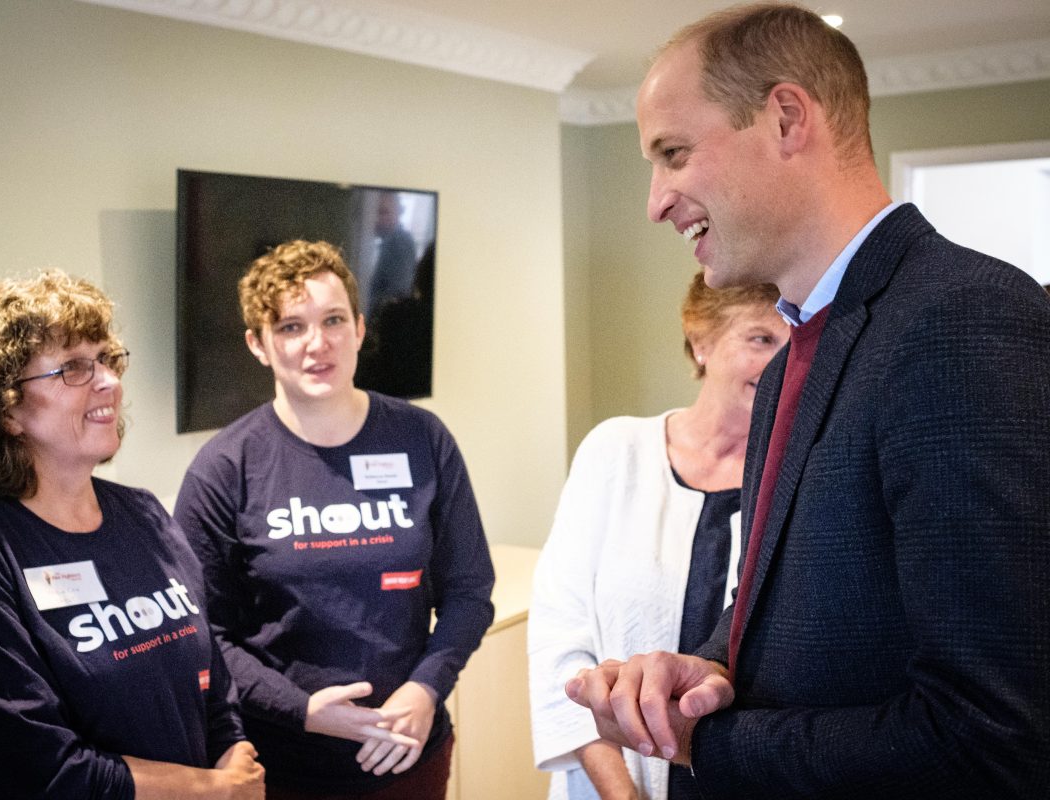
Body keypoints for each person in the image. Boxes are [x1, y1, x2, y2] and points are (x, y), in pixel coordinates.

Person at [565, 4, 1050, 799]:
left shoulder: (962, 320)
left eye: (675, 154)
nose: (655, 202)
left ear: (786, 117)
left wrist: (709, 742)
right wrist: (709, 666)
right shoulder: (800, 354)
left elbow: (993, 734)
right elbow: (795, 601)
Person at [0, 271, 265, 799]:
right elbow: (41, 774)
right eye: (74, 367)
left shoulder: (144, 514)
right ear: (6, 410)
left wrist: (234, 759)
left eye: (107, 359)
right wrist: (214, 790)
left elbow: (210, 686)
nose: (109, 382)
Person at [173, 239, 495, 798]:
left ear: (361, 328)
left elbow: (470, 592)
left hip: (407, 755)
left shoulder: (422, 439)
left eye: (333, 320)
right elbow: (203, 635)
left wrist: (425, 689)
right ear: (258, 344)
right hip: (282, 764)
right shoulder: (224, 469)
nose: (316, 344)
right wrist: (301, 710)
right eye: (291, 327)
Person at [529, 273, 786, 800]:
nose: (780, 362)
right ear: (702, 341)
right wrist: (622, 794)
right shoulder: (616, 452)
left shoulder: (801, 481)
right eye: (760, 338)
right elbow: (560, 641)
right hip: (612, 782)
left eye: (795, 345)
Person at [364, 192, 419, 320]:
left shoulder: (401, 242)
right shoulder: (371, 241)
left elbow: (398, 292)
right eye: (375, 212)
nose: (377, 218)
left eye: (384, 212)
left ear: (398, 213)